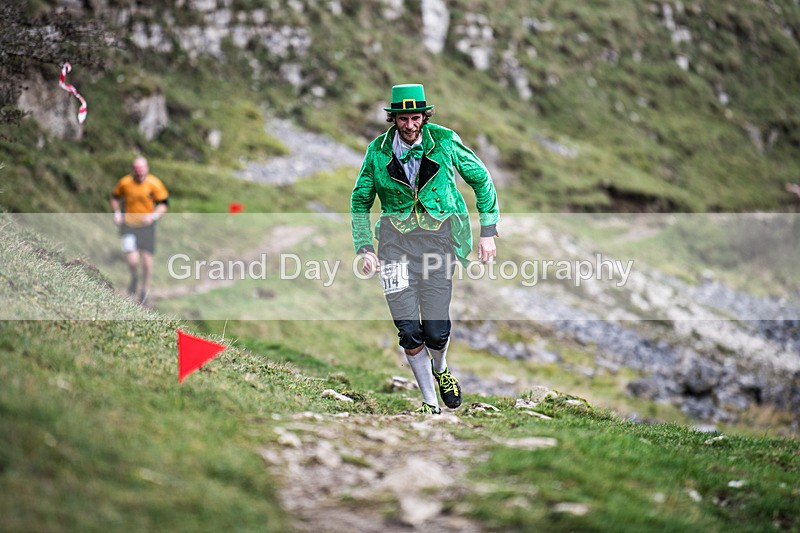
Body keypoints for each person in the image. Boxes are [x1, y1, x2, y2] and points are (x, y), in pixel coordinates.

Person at [351, 83, 500, 414]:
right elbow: (360, 199)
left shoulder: (445, 141)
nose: (409, 125)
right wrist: (364, 247)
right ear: (393, 119)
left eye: (415, 117)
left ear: (424, 116)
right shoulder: (377, 151)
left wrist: (487, 231)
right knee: (407, 328)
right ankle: (430, 404)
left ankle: (441, 368)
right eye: (402, 119)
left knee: (434, 330)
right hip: (393, 242)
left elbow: (481, 179)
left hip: (438, 241)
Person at [110, 156, 169, 304]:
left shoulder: (154, 184)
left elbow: (164, 204)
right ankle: (134, 277)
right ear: (132, 170)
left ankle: (145, 290)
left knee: (147, 262)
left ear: (147, 169)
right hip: (128, 225)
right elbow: (114, 197)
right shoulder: (124, 183)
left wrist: (153, 216)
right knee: (132, 260)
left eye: (142, 170)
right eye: (136, 170)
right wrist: (117, 213)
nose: (139, 173)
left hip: (147, 227)